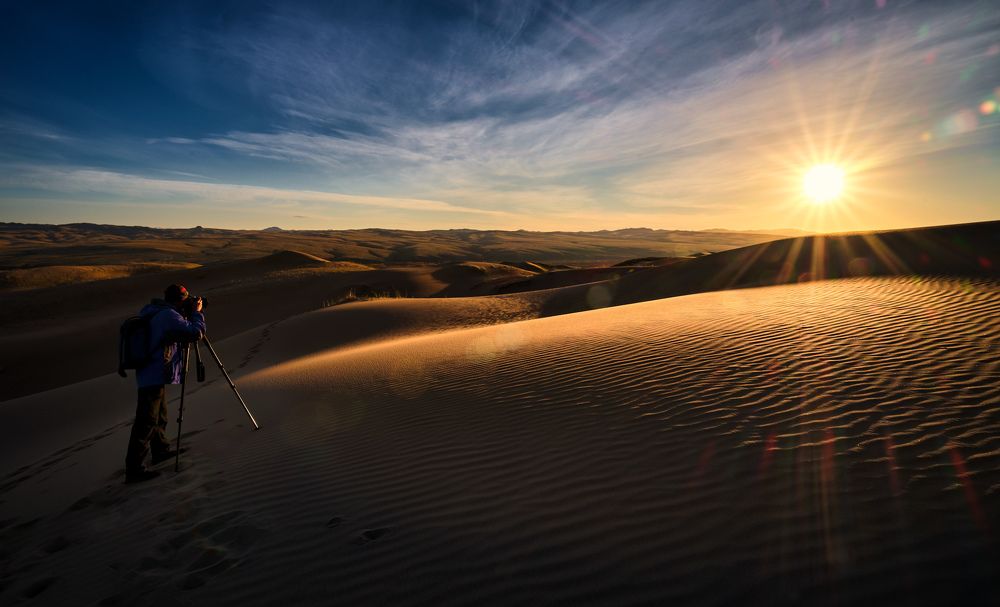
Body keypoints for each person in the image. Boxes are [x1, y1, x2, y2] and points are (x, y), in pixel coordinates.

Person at [124, 284, 206, 484]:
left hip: (151, 372)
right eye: (186, 300)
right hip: (152, 373)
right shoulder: (168, 316)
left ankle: (160, 450)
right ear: (180, 300)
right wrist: (197, 314)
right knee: (146, 420)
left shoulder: (159, 311)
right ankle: (134, 470)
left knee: (159, 415)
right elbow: (195, 333)